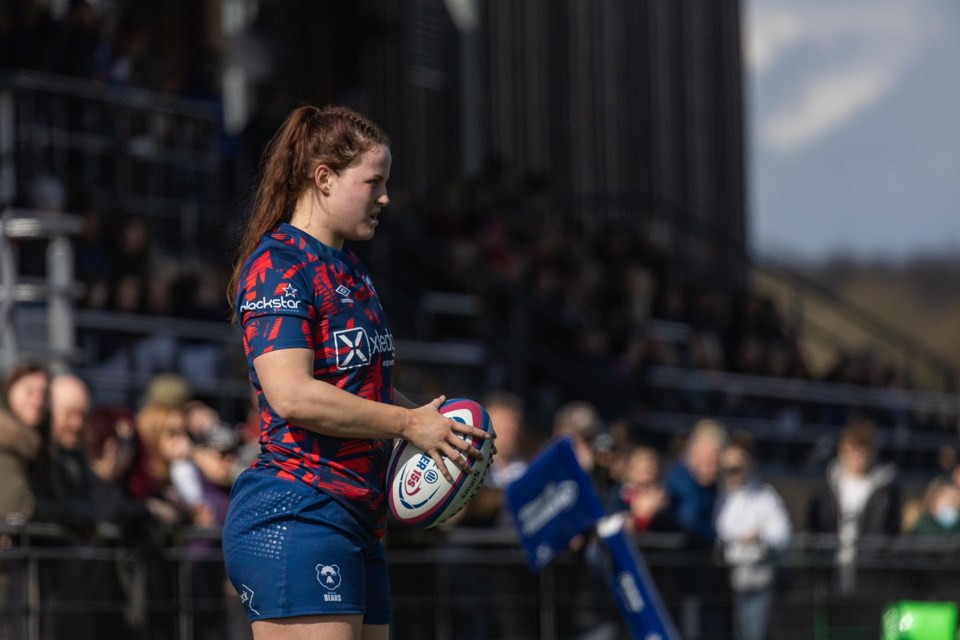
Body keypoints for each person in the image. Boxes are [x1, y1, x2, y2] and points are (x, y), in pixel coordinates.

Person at [220, 104, 491, 640]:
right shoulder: (278, 264)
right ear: (324, 179)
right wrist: (408, 425)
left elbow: (364, 390)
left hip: (356, 517)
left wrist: (447, 436)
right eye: (374, 182)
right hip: (296, 512)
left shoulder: (350, 268)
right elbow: (292, 395)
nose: (385, 198)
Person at [806, 418, 900, 595]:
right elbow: (814, 526)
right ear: (842, 449)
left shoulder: (887, 490)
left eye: (864, 451)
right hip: (830, 572)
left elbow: (892, 532)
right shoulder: (825, 486)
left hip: (870, 575)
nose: (859, 457)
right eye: (854, 450)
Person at [715, 431, 791, 640]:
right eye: (729, 467)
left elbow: (782, 534)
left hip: (757, 582)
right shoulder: (719, 496)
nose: (733, 472)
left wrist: (759, 537)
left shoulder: (765, 496)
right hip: (725, 583)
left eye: (739, 466)